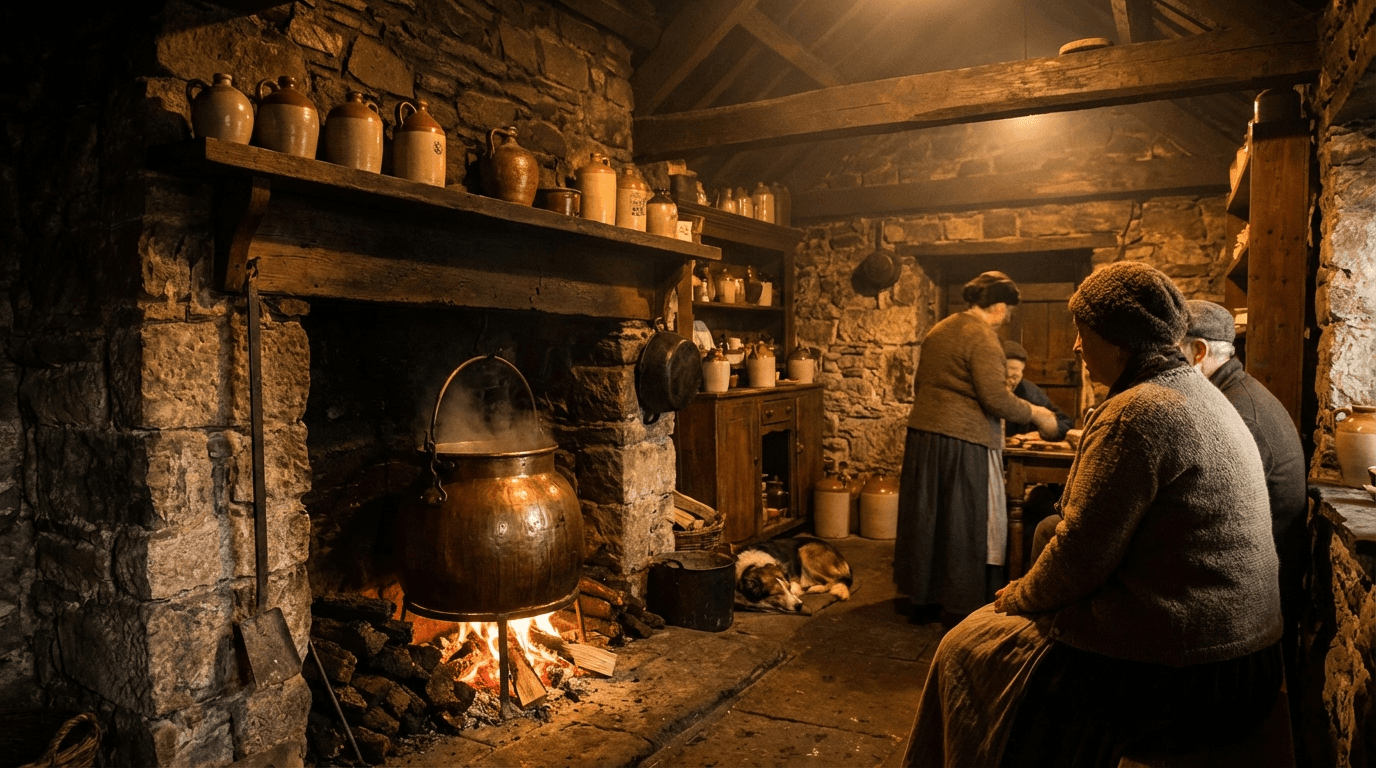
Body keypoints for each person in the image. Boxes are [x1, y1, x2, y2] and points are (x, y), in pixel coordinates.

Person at [904, 262, 1282, 768]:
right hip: (1246, 656)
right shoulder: (1197, 394)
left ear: (1118, 339)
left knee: (964, 648)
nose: (1077, 347)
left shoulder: (1139, 412)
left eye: (1084, 333)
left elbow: (1079, 555)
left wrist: (1019, 595)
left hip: (1193, 674)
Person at [893, 271, 1058, 621]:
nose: (1007, 318)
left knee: (929, 521)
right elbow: (996, 398)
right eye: (1008, 311)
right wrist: (1039, 414)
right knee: (964, 522)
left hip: (925, 438)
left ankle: (924, 598)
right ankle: (961, 604)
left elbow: (923, 384)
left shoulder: (940, 329)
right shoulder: (982, 337)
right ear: (998, 306)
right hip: (962, 442)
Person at [1181, 299, 1307, 724]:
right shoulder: (1234, 393)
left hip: (1252, 602)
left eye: (1170, 353)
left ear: (1198, 353)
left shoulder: (1235, 412)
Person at [1002, 339, 1074, 441]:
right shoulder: (984, 388)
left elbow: (1064, 423)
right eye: (1005, 374)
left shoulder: (1029, 392)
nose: (1010, 381)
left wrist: (1040, 434)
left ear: (1021, 374)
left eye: (1015, 377)